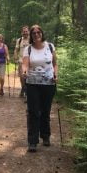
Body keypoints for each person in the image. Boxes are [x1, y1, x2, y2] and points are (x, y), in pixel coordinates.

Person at [22, 24, 58, 152]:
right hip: (32, 84)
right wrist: (24, 72)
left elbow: (55, 64)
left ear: (42, 33)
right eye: (34, 33)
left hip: (49, 84)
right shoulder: (28, 49)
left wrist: (56, 74)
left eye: (38, 32)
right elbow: (25, 64)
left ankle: (46, 135)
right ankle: (32, 141)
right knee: (33, 111)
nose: (36, 35)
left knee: (45, 111)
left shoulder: (50, 46)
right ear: (31, 36)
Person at [13, 26, 30, 98]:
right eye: (24, 31)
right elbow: (16, 49)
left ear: (28, 32)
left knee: (28, 77)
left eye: (26, 31)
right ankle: (23, 88)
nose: (25, 33)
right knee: (22, 76)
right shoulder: (19, 40)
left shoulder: (31, 39)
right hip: (21, 61)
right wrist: (15, 57)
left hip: (30, 61)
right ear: (22, 32)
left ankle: (26, 91)